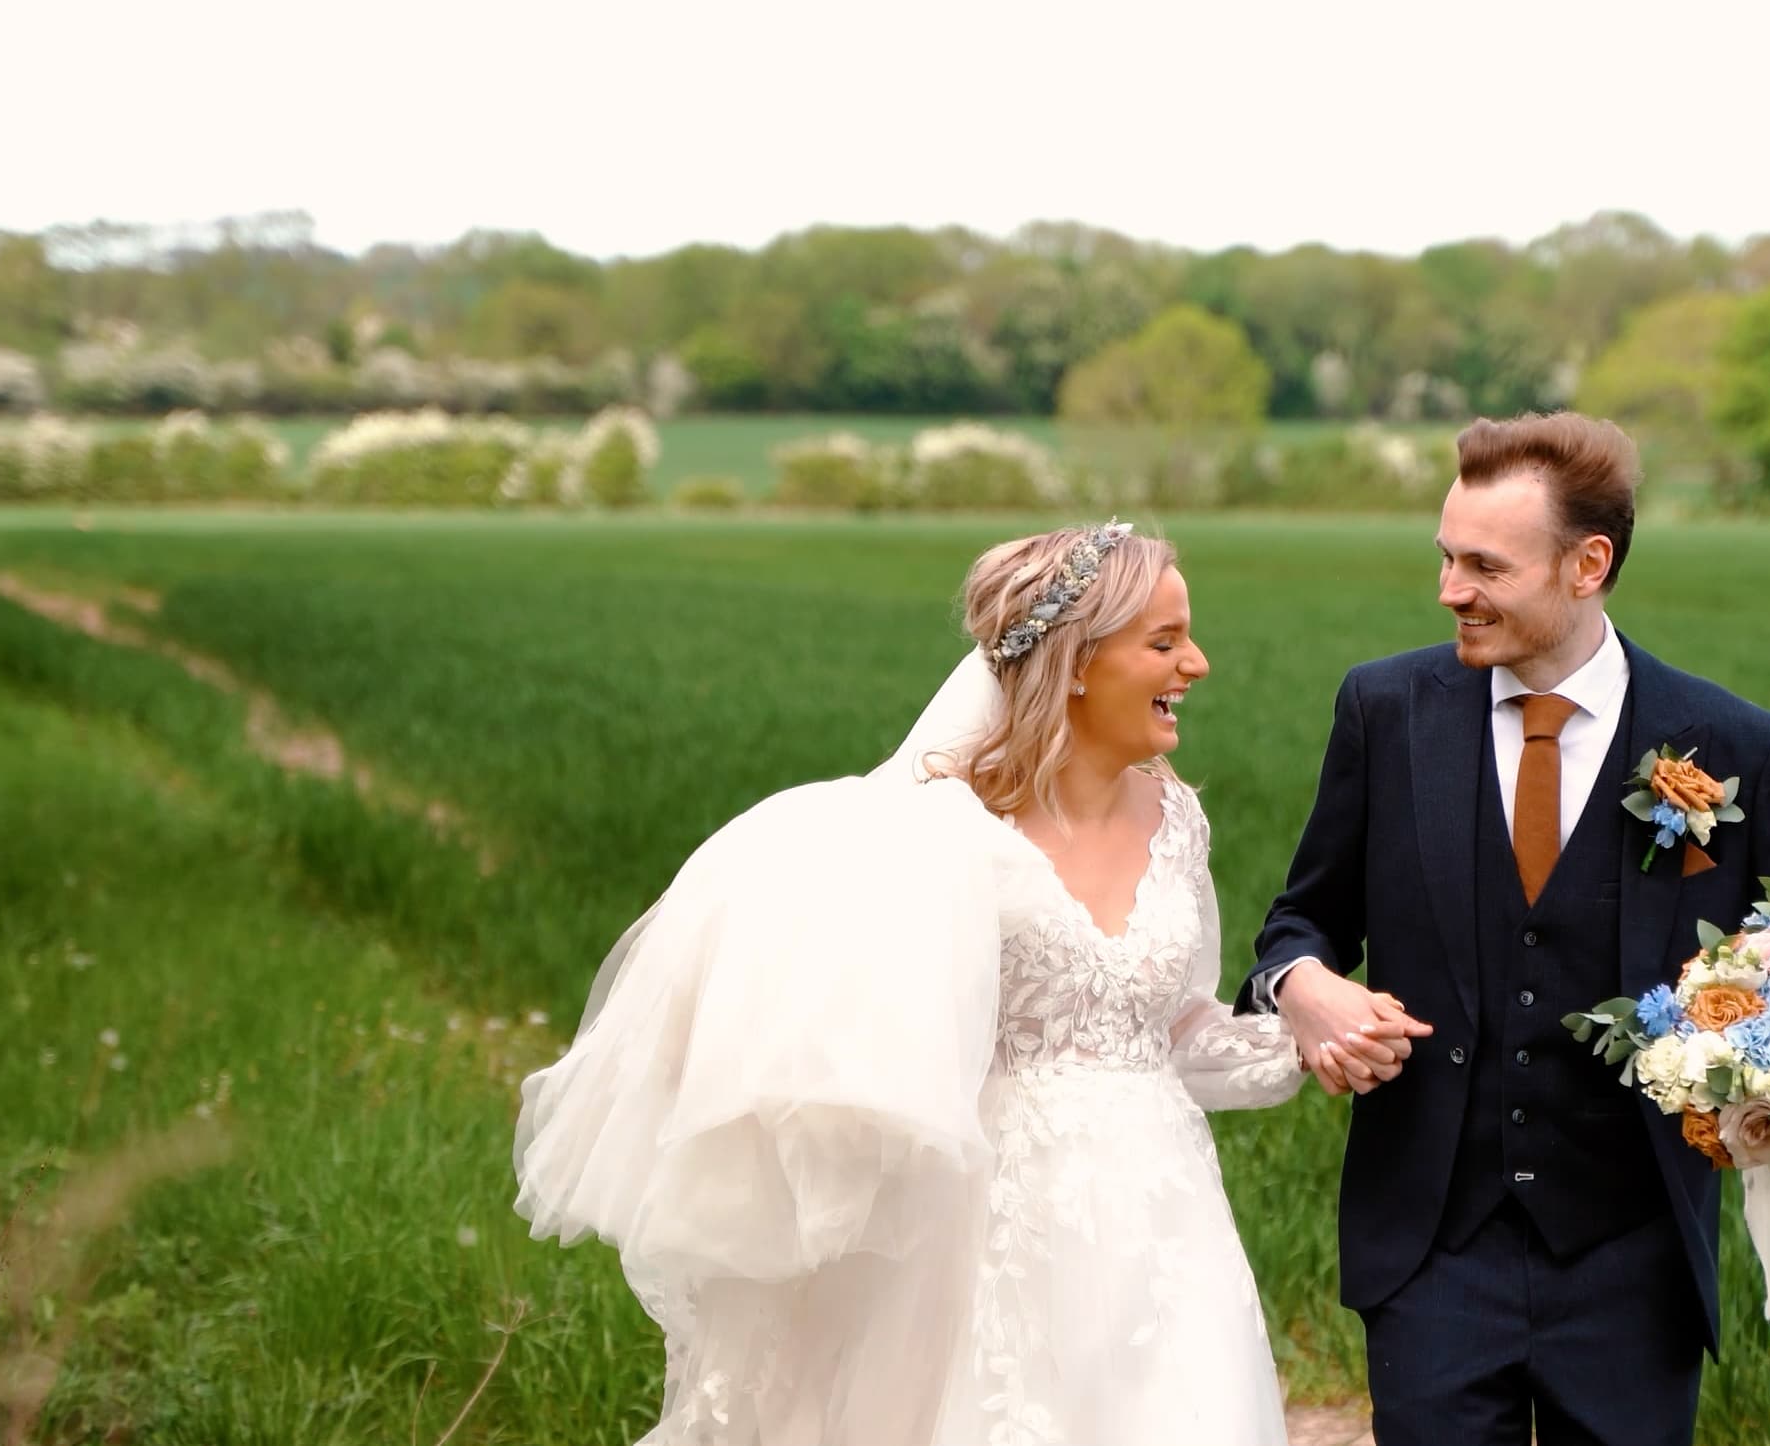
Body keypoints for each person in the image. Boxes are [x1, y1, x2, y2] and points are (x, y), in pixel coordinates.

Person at [515, 521, 1410, 1445]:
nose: (1198, 662)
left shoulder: (1177, 817)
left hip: (1165, 1233)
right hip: (984, 1237)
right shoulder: (937, 834)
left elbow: (1165, 1032)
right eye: (1165, 641)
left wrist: (1313, 1033)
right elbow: (847, 1051)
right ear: (1074, 661)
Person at [1243, 413, 1770, 1446]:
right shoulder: (1385, 710)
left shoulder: (1734, 743)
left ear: (1589, 564)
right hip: (1431, 1248)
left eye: (1485, 564)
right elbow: (1300, 919)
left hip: (1634, 1259)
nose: (1450, 588)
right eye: (1445, 556)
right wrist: (1301, 984)